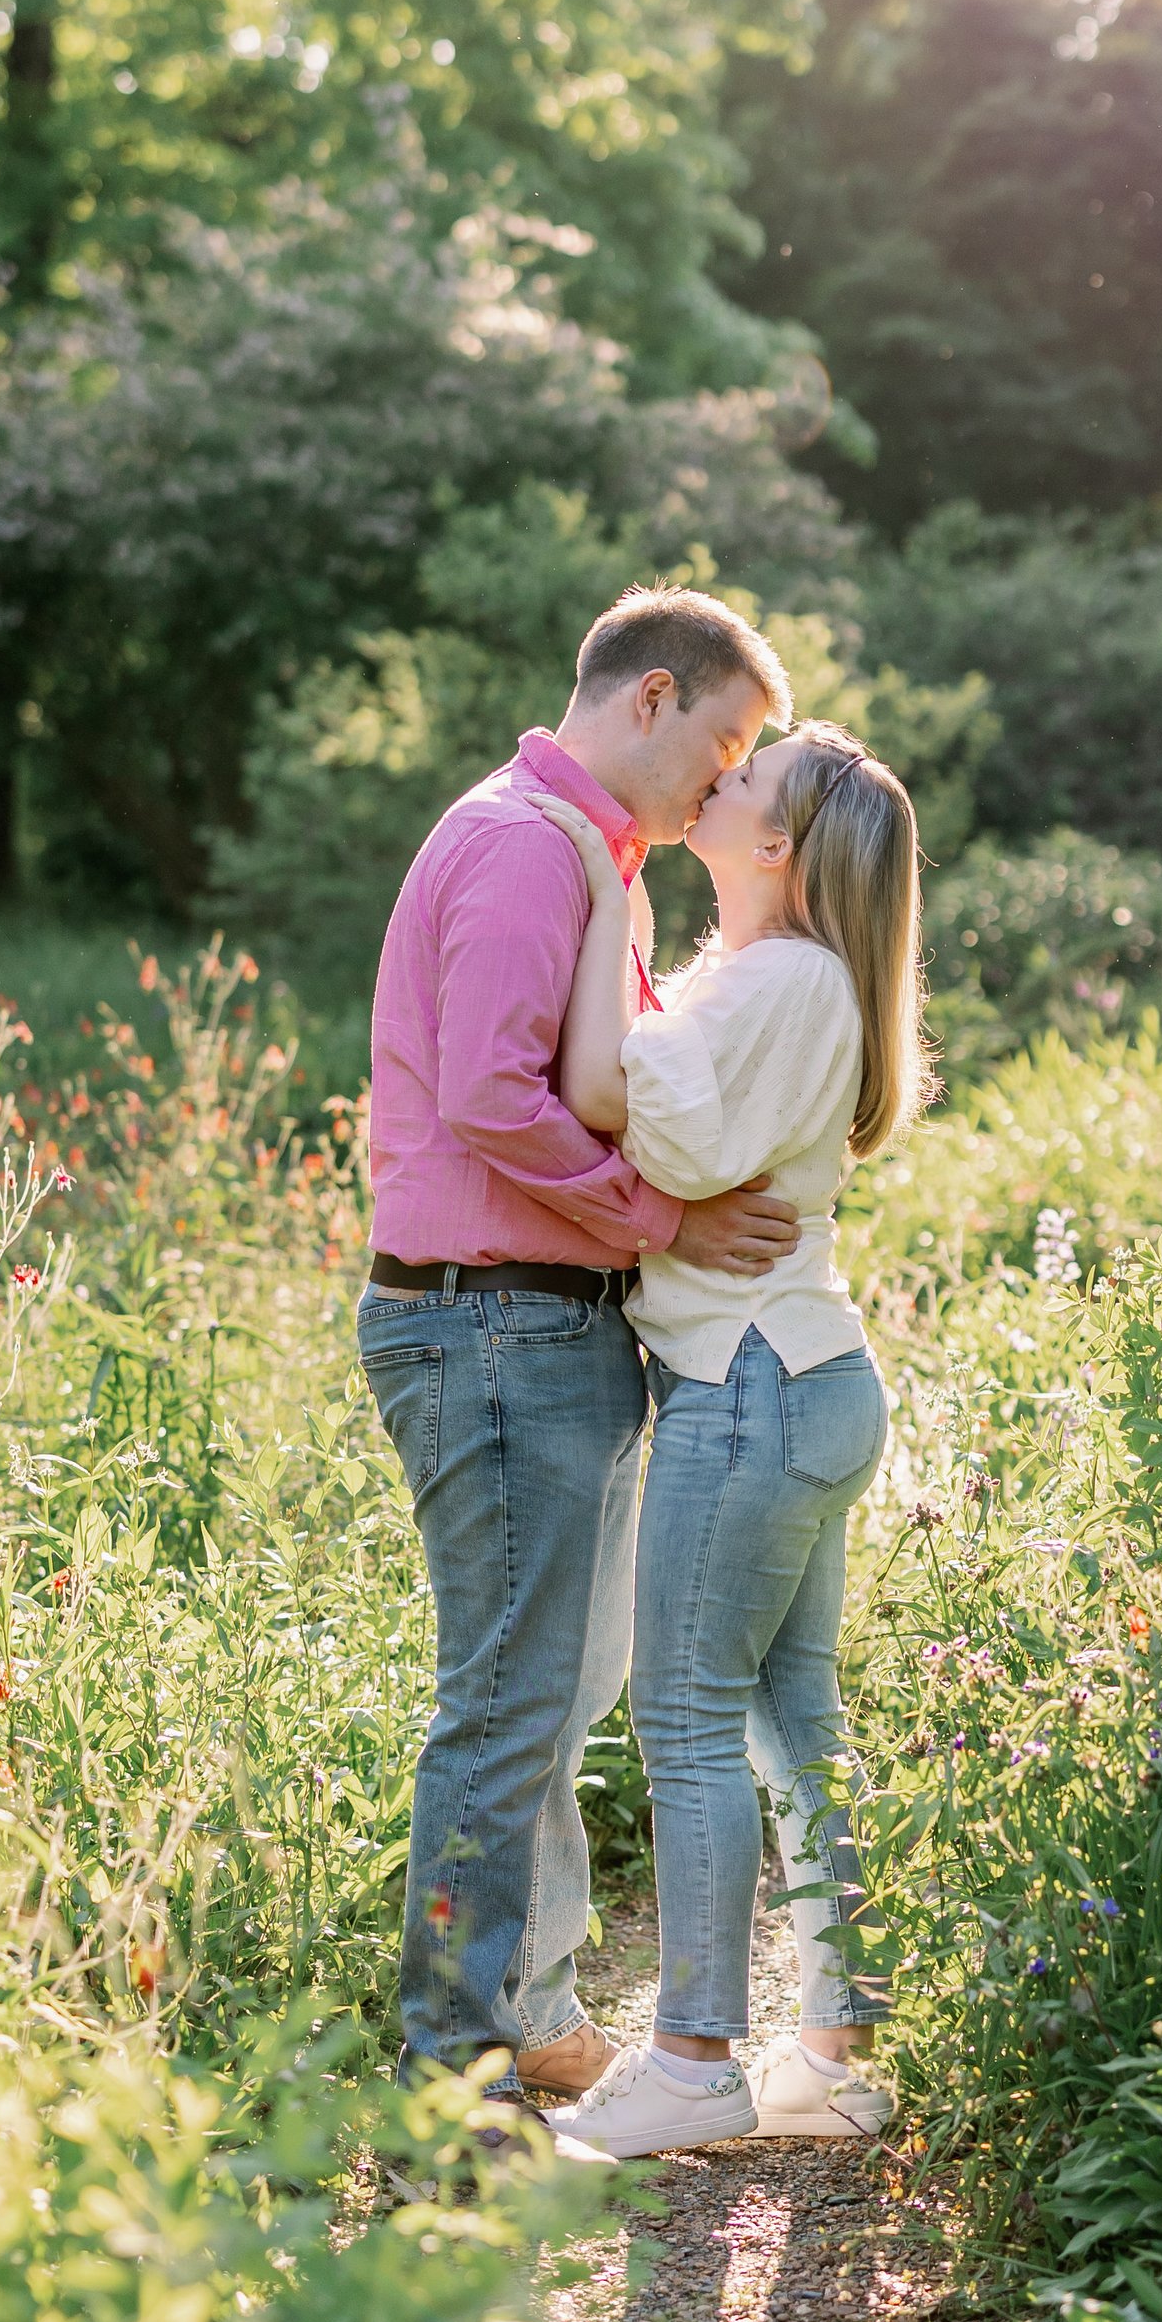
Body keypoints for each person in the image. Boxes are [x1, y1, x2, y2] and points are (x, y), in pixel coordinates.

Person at [359, 588, 804, 2120]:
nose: (726, 778)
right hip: (485, 1321)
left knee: (562, 1683)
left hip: (542, 1324)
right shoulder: (520, 845)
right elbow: (488, 1095)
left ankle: (529, 2008)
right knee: (504, 1700)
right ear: (653, 698)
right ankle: (454, 2074)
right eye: (729, 741)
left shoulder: (587, 856)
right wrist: (656, 1222)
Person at [522, 718, 927, 2159]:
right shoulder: (778, 978)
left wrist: (599, 920)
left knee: (686, 1715)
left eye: (752, 772)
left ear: (780, 844)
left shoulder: (780, 979)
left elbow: (642, 1121)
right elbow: (668, 1108)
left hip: (747, 1384)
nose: (723, 769)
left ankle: (694, 2055)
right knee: (791, 1720)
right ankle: (840, 2047)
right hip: (801, 1375)